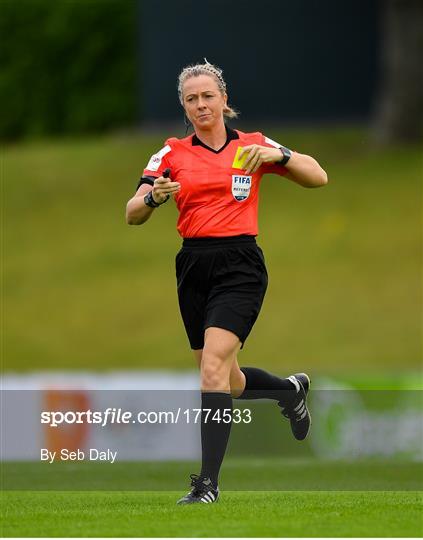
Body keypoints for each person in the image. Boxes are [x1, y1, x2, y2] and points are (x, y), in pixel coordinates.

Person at [126, 60, 328, 505]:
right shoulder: (171, 153)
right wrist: (153, 198)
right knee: (225, 378)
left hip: (241, 265)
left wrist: (283, 156)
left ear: (224, 100)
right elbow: (132, 212)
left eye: (207, 96)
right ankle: (288, 392)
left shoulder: (254, 146)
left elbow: (318, 176)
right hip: (193, 267)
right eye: (191, 99)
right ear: (184, 106)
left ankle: (208, 485)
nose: (201, 105)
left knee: (213, 369)